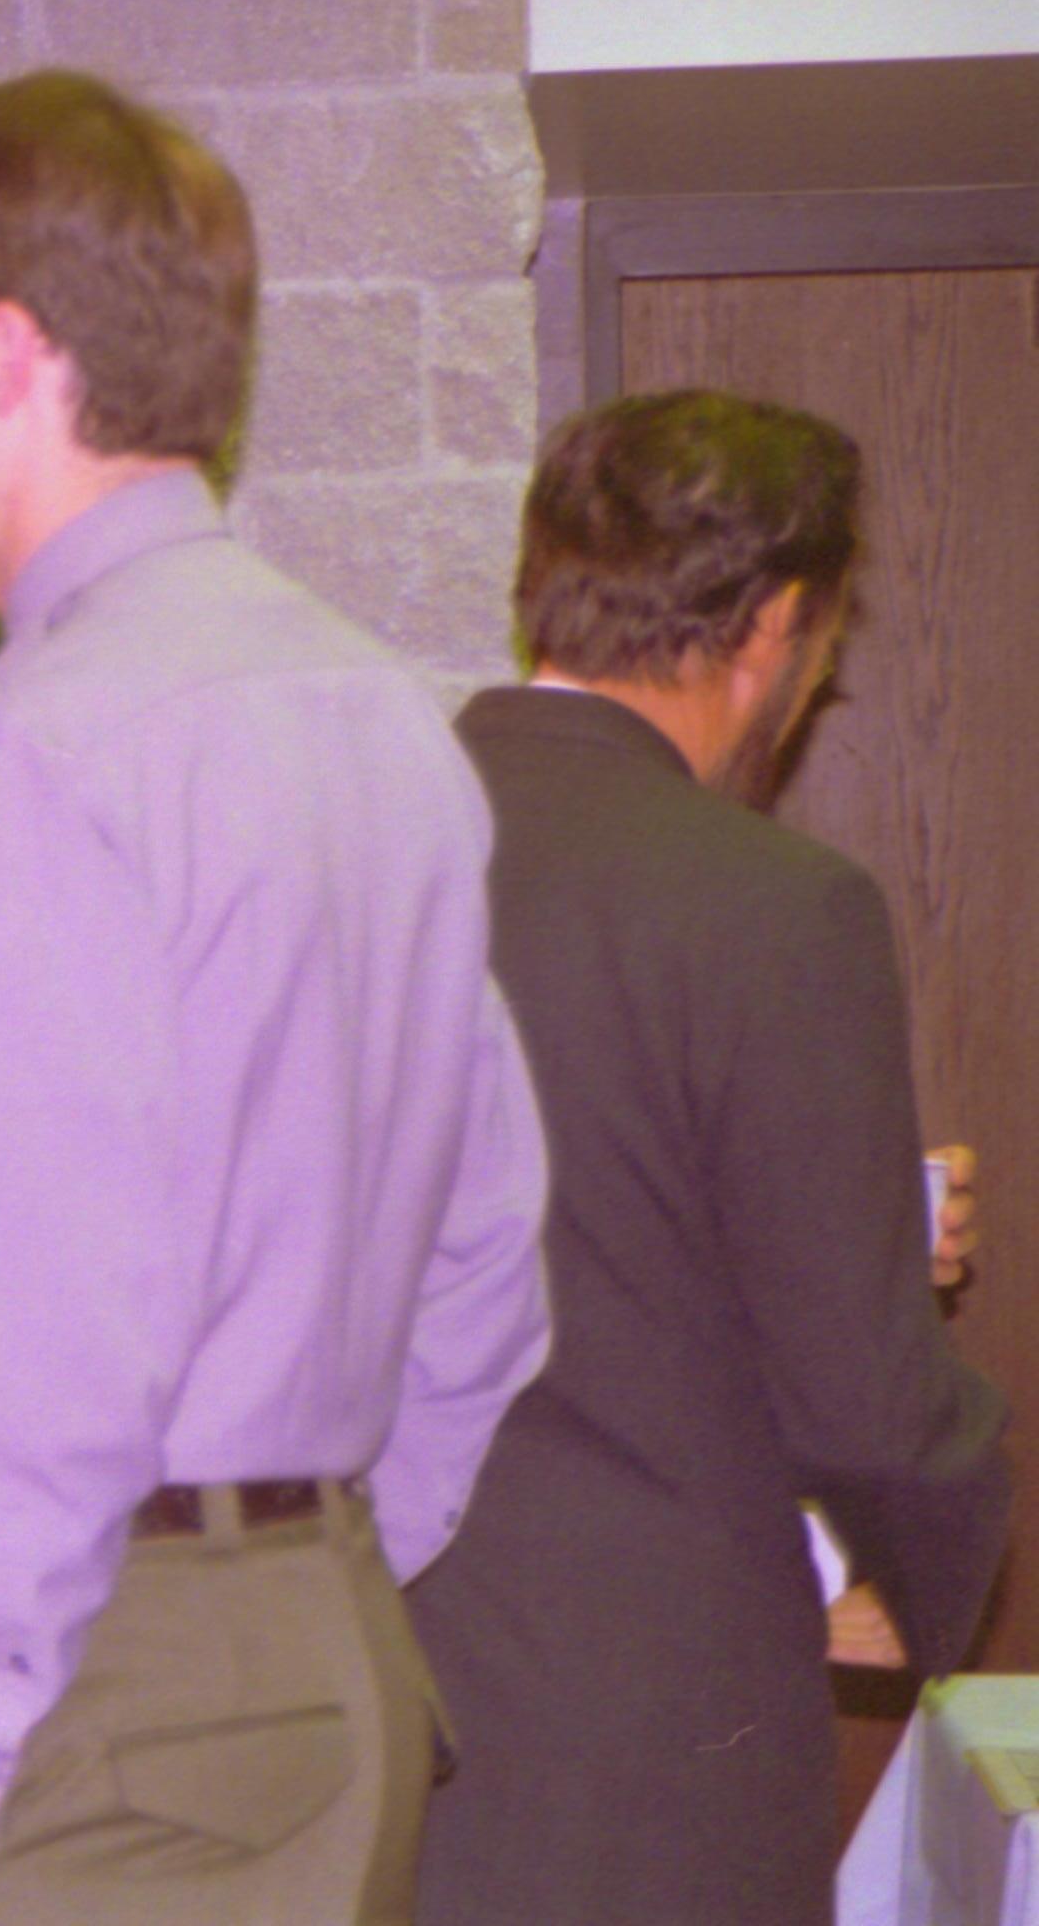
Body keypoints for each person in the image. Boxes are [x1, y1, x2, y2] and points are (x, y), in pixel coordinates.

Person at [0, 68, 553, 1924]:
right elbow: (486, 1259)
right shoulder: (380, 708)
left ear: (15, 362)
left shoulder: (36, 747)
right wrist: (315, 1567)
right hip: (326, 1658)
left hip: (104, 1702)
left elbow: (54, 1322)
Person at [407, 389, 1010, 1926]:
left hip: (352, 1696)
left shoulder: (346, 858)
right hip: (647, 1754)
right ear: (780, 624)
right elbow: (867, 1402)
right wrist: (929, 1583)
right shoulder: (773, 908)